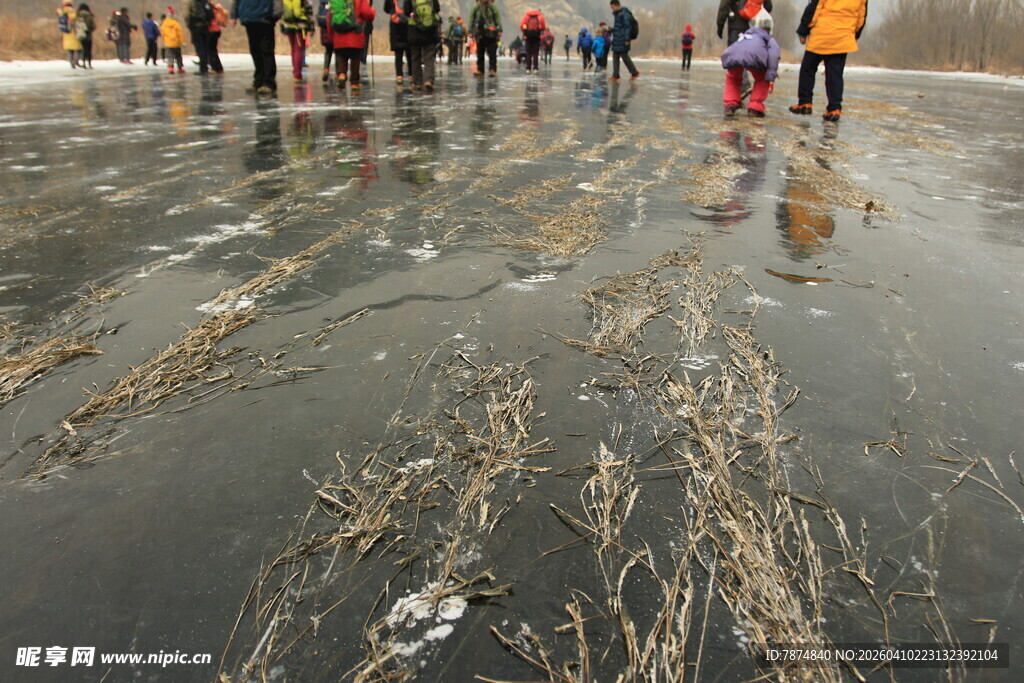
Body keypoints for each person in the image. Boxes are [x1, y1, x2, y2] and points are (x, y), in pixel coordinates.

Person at [790, 0, 868, 121]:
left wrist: (803, 30)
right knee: (835, 74)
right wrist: (854, 34)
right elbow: (861, 16)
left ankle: (805, 103)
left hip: (822, 33)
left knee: (808, 68)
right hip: (843, 36)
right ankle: (834, 109)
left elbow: (815, 8)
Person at [720, 11, 779, 117]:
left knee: (732, 78)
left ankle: (730, 104)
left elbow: (735, 47)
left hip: (734, 55)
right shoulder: (768, 39)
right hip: (755, 57)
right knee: (761, 79)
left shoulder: (746, 34)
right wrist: (770, 76)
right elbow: (774, 55)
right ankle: (754, 107)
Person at [232, 0, 283, 95]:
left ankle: (268, 82)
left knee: (266, 51)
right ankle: (258, 81)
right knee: (255, 51)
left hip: (265, 18)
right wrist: (233, 14)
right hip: (249, 18)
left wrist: (275, 15)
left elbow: (278, 3)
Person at [327, 0, 375, 90]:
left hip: (339, 36)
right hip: (355, 36)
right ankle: (354, 82)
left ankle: (341, 74)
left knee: (342, 57)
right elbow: (367, 13)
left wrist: (331, 35)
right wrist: (372, 12)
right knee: (355, 59)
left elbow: (329, 17)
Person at [404, 0, 441, 90]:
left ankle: (417, 82)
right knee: (429, 56)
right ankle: (429, 80)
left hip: (414, 30)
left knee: (415, 57)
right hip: (429, 29)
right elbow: (436, 8)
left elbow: (406, 10)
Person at [282, 0, 313, 82]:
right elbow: (308, 10)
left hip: (288, 24)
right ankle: (297, 74)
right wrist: (311, 27)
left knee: (293, 49)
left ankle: (295, 70)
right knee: (299, 50)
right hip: (300, 26)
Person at [469, 0, 501, 77]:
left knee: (492, 52)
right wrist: (470, 31)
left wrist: (499, 30)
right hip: (480, 33)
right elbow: (471, 19)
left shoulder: (493, 7)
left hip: (491, 33)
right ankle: (480, 70)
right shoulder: (476, 7)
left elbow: (497, 18)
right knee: (480, 52)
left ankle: (492, 69)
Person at [383, 0, 412, 83]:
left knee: (398, 52)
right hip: (407, 24)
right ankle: (411, 74)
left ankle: (399, 75)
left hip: (395, 24)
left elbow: (386, 9)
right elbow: (411, 9)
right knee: (409, 51)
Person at [609, 0, 638, 80]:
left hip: (622, 39)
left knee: (624, 56)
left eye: (612, 7)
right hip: (618, 38)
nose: (612, 9)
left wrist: (627, 39)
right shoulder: (618, 14)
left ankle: (634, 72)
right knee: (615, 55)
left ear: (617, 5)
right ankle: (616, 74)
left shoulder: (624, 14)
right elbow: (619, 28)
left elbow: (627, 28)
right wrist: (611, 30)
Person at [187, 0, 214, 74]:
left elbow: (187, 15)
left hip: (196, 27)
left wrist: (189, 25)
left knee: (200, 48)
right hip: (206, 27)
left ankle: (203, 68)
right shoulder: (206, 2)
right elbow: (211, 14)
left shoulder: (192, 2)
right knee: (205, 47)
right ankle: (205, 66)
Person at [58, 1, 83, 68]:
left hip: (66, 34)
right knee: (79, 49)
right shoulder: (71, 12)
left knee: (70, 51)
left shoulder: (61, 12)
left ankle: (72, 63)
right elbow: (74, 18)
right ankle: (75, 61)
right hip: (73, 33)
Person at [161, 7, 185, 73]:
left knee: (169, 56)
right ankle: (180, 68)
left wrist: (164, 41)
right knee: (178, 56)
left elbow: (162, 33)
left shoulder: (164, 23)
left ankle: (170, 67)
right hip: (176, 42)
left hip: (168, 43)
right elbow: (180, 33)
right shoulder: (176, 23)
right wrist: (182, 42)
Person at [208, 1, 228, 72]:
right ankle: (217, 67)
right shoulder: (218, 9)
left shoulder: (211, 9)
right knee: (213, 49)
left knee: (211, 50)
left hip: (211, 30)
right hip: (217, 30)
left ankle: (216, 67)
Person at [75, 3, 96, 68]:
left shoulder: (77, 16)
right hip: (88, 35)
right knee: (88, 50)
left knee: (83, 50)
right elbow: (93, 26)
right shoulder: (89, 16)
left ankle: (83, 62)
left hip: (80, 35)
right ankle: (89, 64)